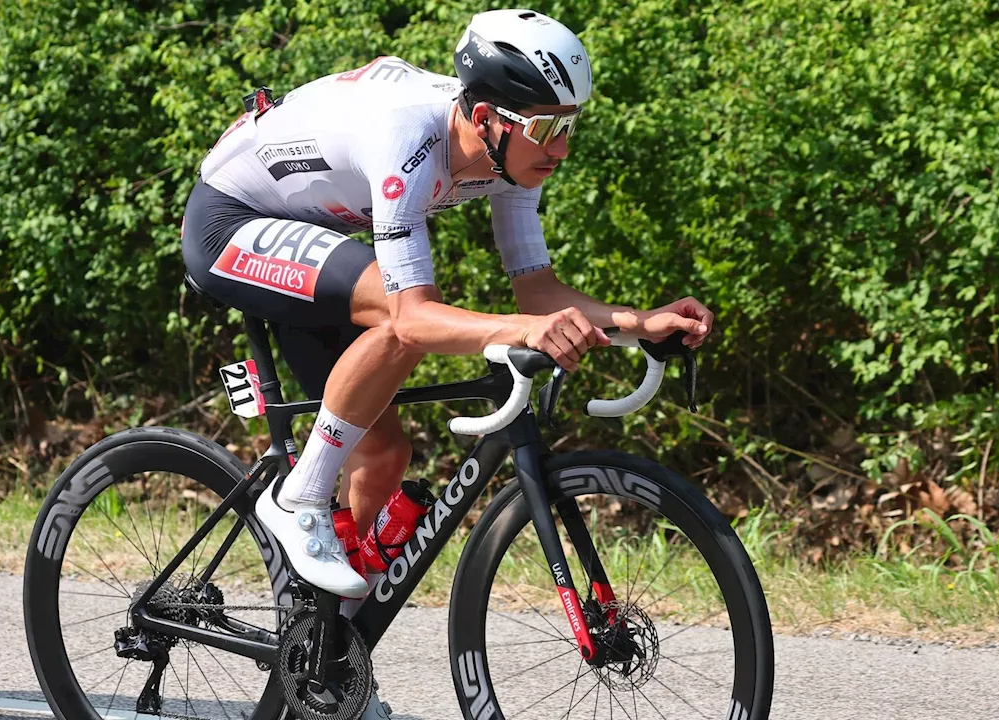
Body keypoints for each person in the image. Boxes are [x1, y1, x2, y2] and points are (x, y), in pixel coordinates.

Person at [181, 9, 712, 716]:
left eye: (571, 126)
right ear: (490, 116)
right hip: (232, 221)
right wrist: (526, 328)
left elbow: (539, 290)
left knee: (384, 455)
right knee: (403, 319)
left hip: (318, 230)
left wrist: (636, 322)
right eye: (551, 128)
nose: (563, 146)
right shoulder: (409, 135)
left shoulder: (513, 159)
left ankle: (328, 665)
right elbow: (411, 315)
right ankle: (297, 497)